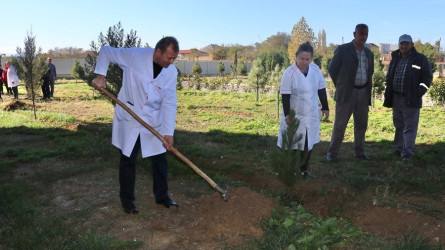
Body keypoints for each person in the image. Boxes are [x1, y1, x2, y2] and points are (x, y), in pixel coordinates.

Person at [92, 36, 180, 214]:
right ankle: (128, 201)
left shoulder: (171, 73)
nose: (171, 62)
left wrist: (168, 132)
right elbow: (107, 51)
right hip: (131, 116)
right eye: (168, 58)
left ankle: (162, 197)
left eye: (173, 59)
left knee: (160, 159)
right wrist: (100, 76)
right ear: (157, 52)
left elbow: (170, 102)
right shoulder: (134, 55)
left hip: (153, 120)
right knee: (128, 159)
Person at [277, 42, 329, 178]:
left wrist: (325, 107)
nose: (304, 62)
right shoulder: (289, 73)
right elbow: (286, 96)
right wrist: (287, 114)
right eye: (301, 58)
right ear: (296, 57)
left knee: (307, 144)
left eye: (307, 59)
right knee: (292, 145)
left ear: (311, 59)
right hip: (295, 114)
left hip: (311, 113)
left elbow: (321, 89)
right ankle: (289, 171)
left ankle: (304, 171)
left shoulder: (315, 70)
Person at [326, 24, 374, 162]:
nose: (363, 37)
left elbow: (370, 72)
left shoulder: (369, 53)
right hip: (347, 93)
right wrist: (342, 86)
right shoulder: (343, 49)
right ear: (354, 34)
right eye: (361, 34)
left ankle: (359, 152)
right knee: (340, 125)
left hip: (363, 93)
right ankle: (332, 153)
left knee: (361, 125)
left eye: (366, 34)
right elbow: (332, 70)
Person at [383, 34, 432, 163]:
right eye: (401, 44)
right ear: (399, 45)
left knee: (409, 127)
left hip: (411, 99)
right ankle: (398, 149)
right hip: (396, 98)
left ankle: (407, 153)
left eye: (406, 43)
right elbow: (389, 76)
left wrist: (418, 92)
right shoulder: (395, 58)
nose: (403, 46)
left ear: (412, 44)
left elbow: (427, 78)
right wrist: (389, 92)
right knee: (398, 125)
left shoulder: (420, 59)